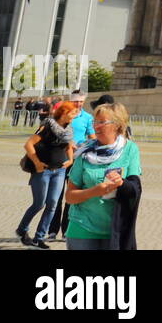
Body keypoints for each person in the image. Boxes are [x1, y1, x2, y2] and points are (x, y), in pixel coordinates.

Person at [64, 102, 141, 250]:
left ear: (117, 125)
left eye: (102, 122)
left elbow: (135, 187)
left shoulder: (130, 149)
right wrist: (95, 191)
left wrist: (121, 183)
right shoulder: (84, 151)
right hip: (82, 227)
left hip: (115, 229)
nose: (96, 126)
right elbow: (70, 197)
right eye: (95, 122)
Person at [17, 100, 76, 249]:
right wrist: (37, 163)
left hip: (60, 171)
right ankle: (22, 230)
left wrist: (69, 160)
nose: (74, 116)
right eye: (72, 113)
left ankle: (39, 237)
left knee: (52, 204)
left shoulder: (68, 129)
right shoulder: (47, 125)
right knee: (39, 204)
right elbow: (28, 144)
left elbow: (68, 147)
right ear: (63, 113)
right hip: (43, 171)